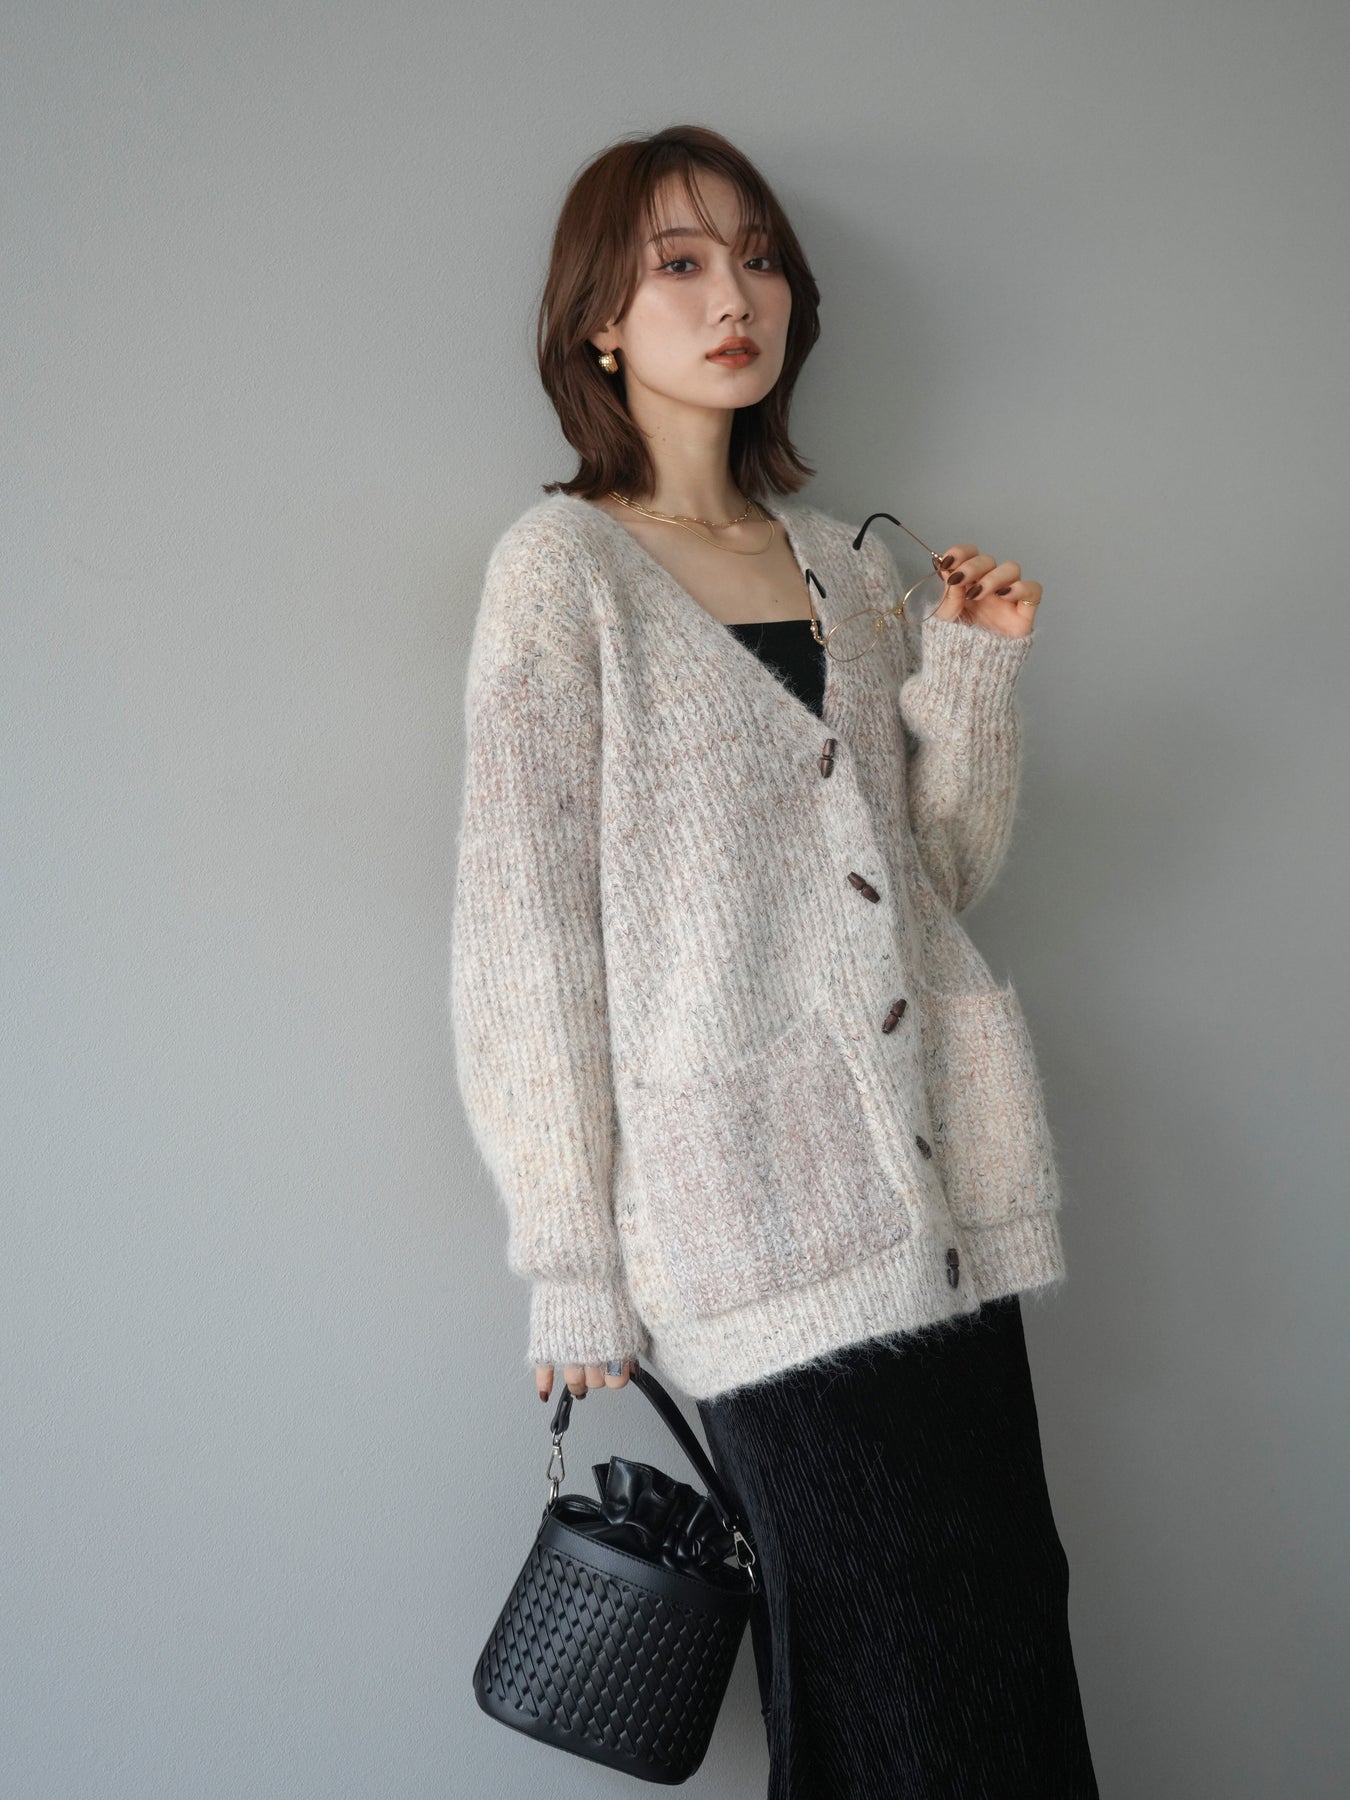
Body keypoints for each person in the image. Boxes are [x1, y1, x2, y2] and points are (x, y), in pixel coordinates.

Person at [450, 123, 1098, 1796]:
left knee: (1003, 1624)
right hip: (745, 1214)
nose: (732, 296)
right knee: (886, 1662)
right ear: (600, 321)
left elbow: (929, 883)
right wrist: (569, 1260)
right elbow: (524, 937)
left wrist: (969, 677)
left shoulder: (850, 568)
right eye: (677, 263)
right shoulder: (562, 575)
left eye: (756, 259)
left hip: (938, 1194)